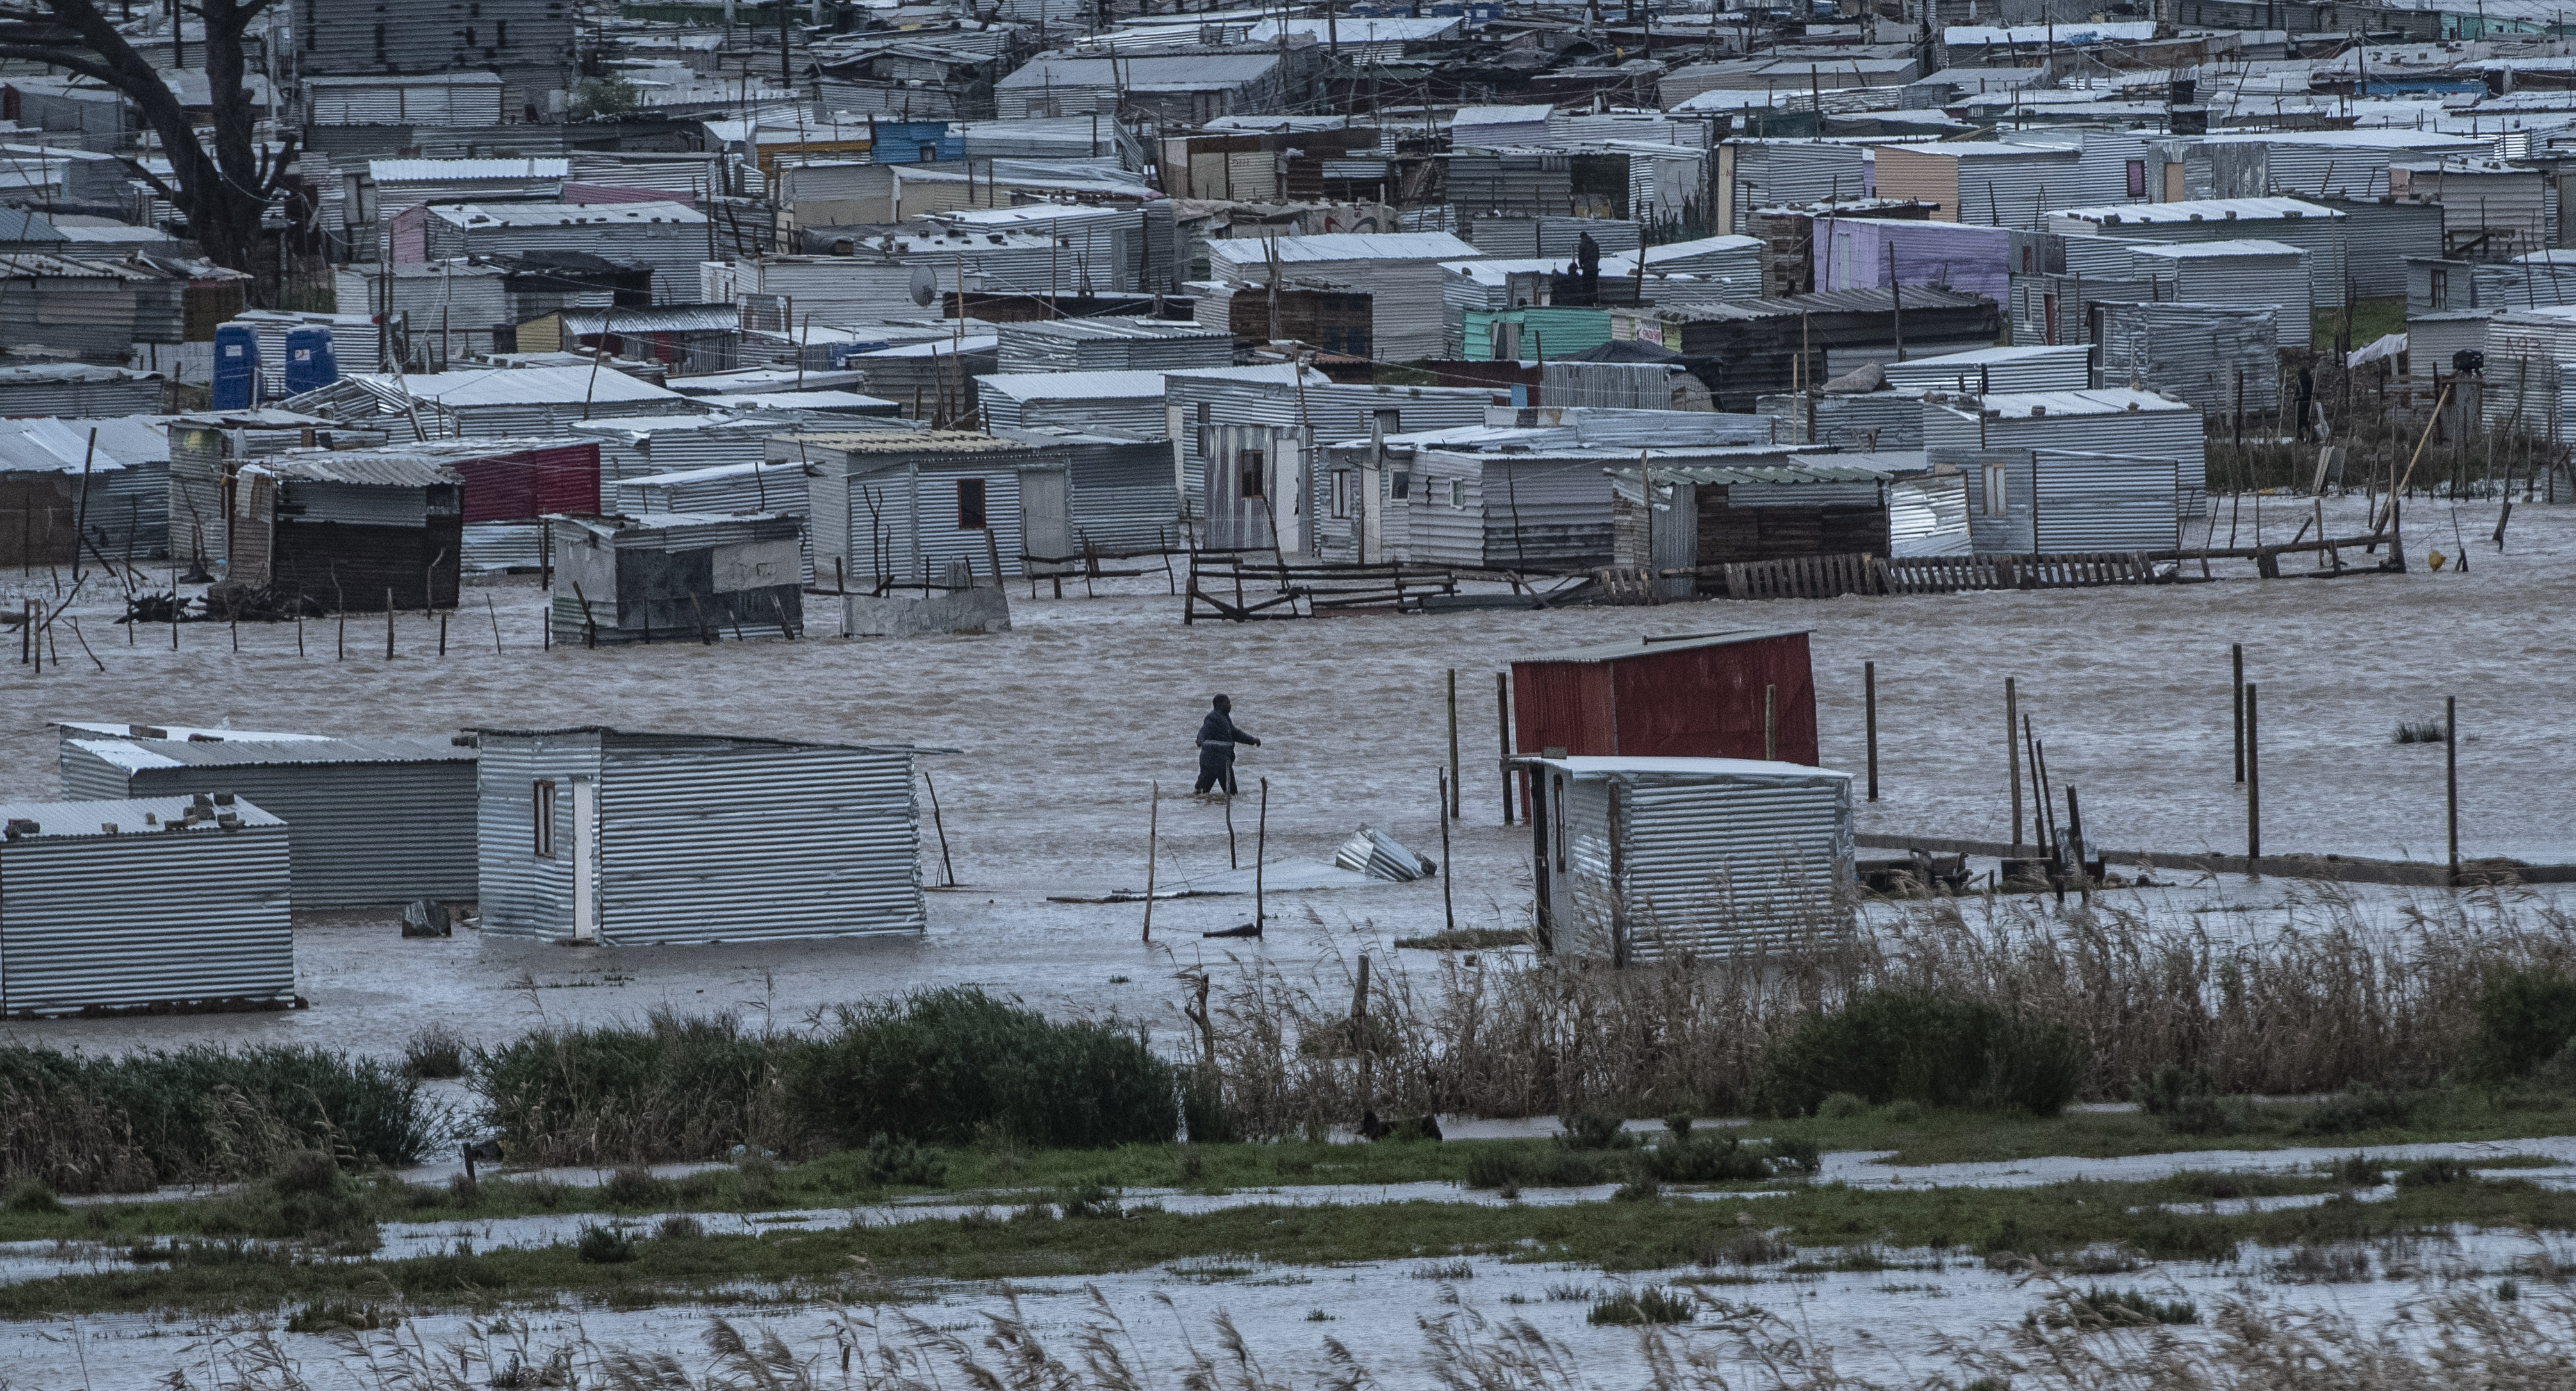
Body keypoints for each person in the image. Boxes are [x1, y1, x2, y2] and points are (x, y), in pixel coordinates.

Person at [1194, 694, 1260, 796]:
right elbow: (1204, 730)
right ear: (1219, 705)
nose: (1230, 705)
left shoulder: (1225, 719)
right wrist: (1200, 738)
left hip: (1222, 760)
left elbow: (1235, 734)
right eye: (1227, 702)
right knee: (1204, 791)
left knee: (1230, 793)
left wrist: (1252, 740)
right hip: (1212, 760)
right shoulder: (1213, 718)